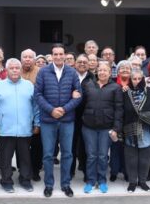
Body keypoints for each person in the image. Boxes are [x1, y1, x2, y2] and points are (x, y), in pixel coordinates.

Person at [35, 43, 82, 198]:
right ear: (52, 56)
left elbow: (78, 95)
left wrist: (64, 109)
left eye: (61, 54)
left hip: (67, 119)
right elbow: (38, 95)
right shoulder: (43, 72)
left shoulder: (72, 72)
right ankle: (49, 184)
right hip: (48, 120)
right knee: (48, 154)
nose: (58, 57)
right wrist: (51, 110)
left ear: (65, 55)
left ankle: (65, 184)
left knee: (67, 154)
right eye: (55, 54)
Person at [0, 58, 41, 193]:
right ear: (7, 70)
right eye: (11, 68)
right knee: (6, 157)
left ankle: (25, 179)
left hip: (25, 129)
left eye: (17, 68)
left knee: (25, 157)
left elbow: (36, 106)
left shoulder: (29, 85)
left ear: (20, 69)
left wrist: (37, 123)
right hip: (6, 129)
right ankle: (6, 180)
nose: (14, 70)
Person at [123, 69, 150, 193]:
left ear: (143, 79)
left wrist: (147, 116)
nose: (137, 81)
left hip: (147, 130)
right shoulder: (125, 92)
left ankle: (142, 181)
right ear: (130, 80)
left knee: (145, 158)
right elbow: (121, 110)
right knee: (131, 159)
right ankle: (132, 182)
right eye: (134, 79)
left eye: (139, 79)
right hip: (130, 130)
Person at [82, 62, 123, 193]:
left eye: (105, 70)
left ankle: (102, 180)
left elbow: (119, 109)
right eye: (100, 70)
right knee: (91, 155)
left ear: (110, 73)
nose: (102, 72)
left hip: (107, 127)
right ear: (96, 72)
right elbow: (81, 105)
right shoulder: (88, 85)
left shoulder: (115, 87)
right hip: (89, 127)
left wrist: (116, 128)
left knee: (103, 156)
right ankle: (90, 180)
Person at [20, 49, 43, 182]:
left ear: (34, 59)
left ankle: (35, 170)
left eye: (30, 57)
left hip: (37, 114)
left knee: (36, 145)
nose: (27, 59)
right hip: (21, 114)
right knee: (21, 145)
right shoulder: (16, 71)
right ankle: (22, 169)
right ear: (21, 59)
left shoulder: (41, 72)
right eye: (25, 57)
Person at [73, 54, 95, 182]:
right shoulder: (69, 76)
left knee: (87, 147)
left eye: (84, 62)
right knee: (71, 146)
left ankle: (87, 173)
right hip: (71, 116)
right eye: (79, 61)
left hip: (87, 117)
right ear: (75, 63)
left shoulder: (93, 78)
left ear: (89, 64)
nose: (82, 64)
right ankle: (70, 172)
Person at [109, 60, 131, 182]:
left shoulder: (134, 83)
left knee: (128, 148)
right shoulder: (112, 83)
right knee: (115, 147)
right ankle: (114, 171)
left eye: (127, 68)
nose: (125, 70)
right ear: (117, 71)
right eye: (122, 68)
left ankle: (126, 172)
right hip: (115, 120)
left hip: (130, 121)